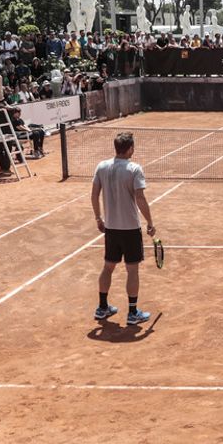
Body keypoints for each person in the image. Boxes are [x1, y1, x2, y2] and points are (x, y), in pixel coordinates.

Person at [90, 131, 157, 326]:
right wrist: (150, 223)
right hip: (129, 229)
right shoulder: (134, 169)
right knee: (132, 270)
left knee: (108, 267)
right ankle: (133, 312)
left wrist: (98, 218)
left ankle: (102, 308)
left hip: (111, 228)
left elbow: (94, 195)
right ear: (130, 149)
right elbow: (140, 198)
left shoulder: (101, 167)